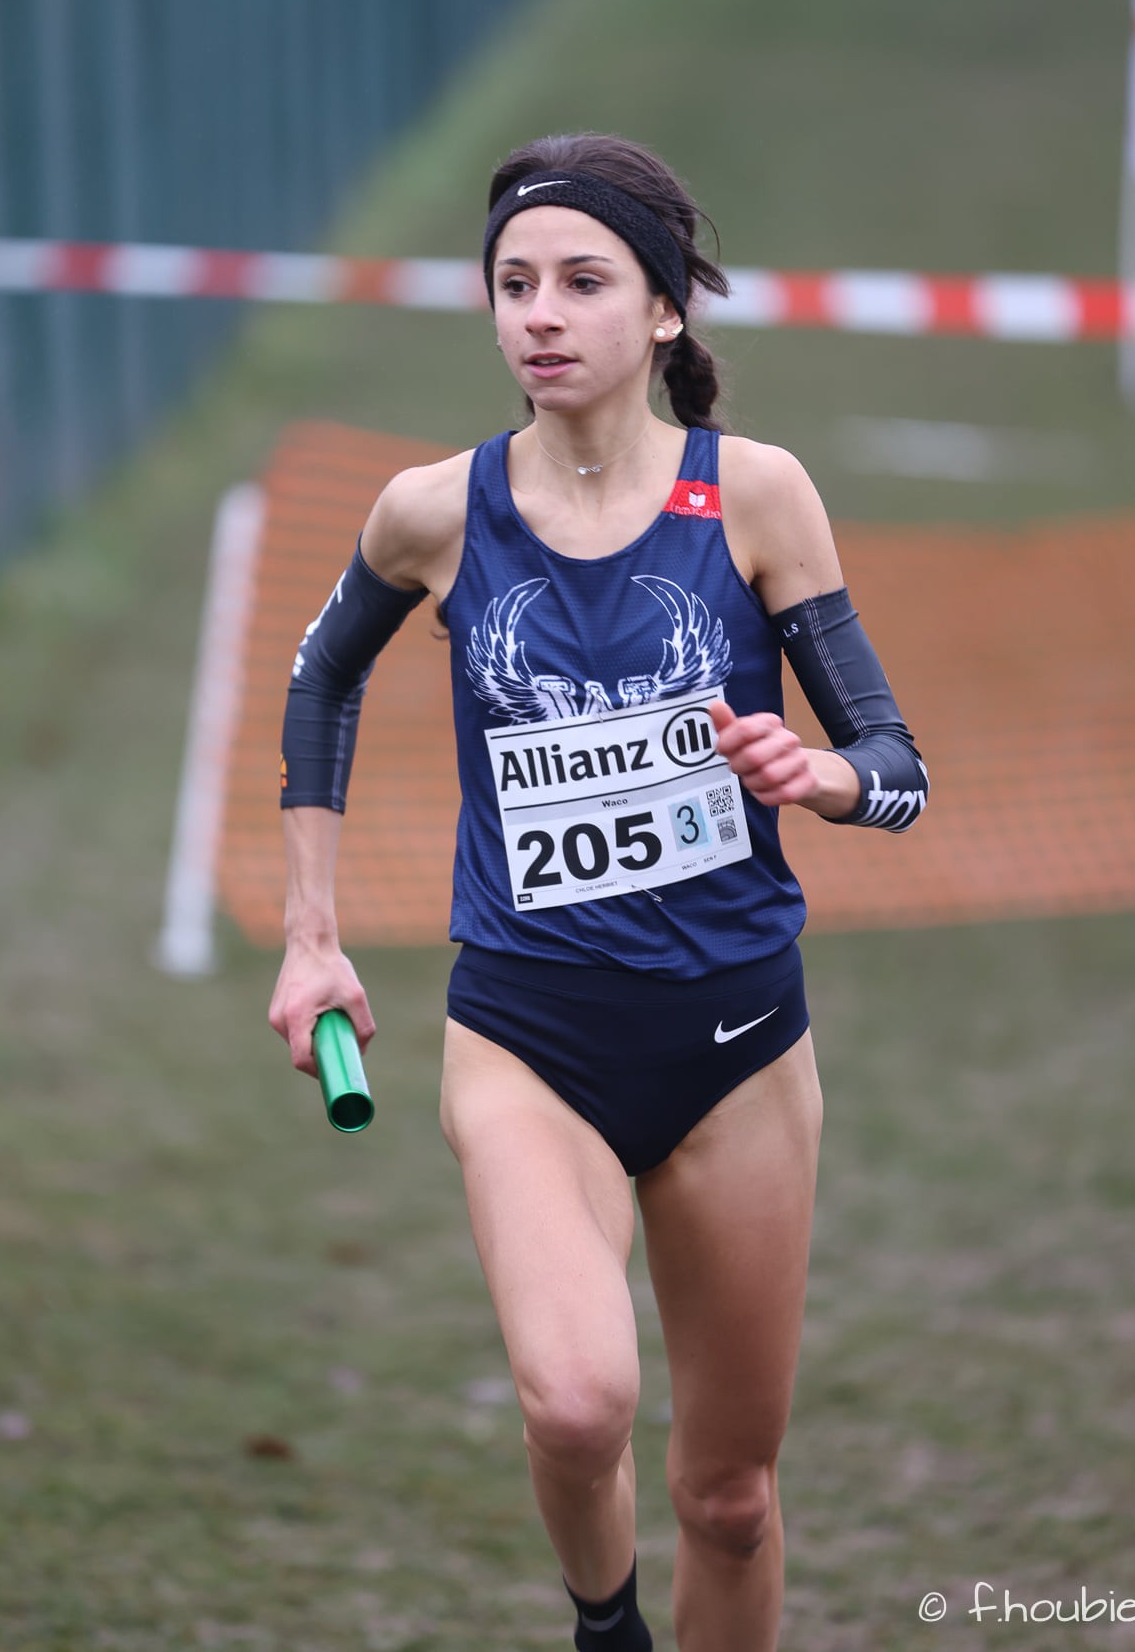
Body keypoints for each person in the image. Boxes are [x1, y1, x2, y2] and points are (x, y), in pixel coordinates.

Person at [270, 132, 929, 1652]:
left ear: (663, 314)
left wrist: (815, 776)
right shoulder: (434, 512)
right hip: (527, 1033)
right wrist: (313, 935)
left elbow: (891, 760)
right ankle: (603, 1627)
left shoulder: (754, 497)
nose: (539, 316)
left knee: (729, 1498)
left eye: (581, 282)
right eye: (512, 285)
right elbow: (321, 681)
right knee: (575, 1405)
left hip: (737, 1048)